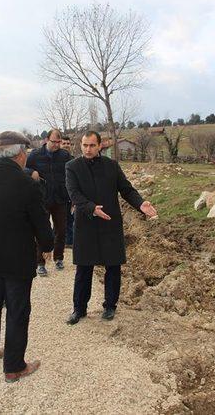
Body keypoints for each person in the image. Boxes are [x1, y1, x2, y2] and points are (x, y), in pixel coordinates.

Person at [0, 131, 53, 383]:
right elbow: (40, 221)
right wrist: (47, 246)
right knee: (17, 310)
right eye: (26, 152)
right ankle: (14, 366)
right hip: (17, 259)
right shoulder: (27, 183)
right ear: (19, 153)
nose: (27, 156)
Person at [65, 131, 157, 324]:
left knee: (113, 267)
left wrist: (140, 204)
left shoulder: (112, 166)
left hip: (110, 222)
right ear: (81, 145)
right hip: (86, 224)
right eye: (84, 145)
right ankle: (79, 309)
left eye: (91, 145)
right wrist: (91, 208)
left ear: (100, 146)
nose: (87, 149)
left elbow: (126, 190)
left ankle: (110, 306)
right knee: (84, 268)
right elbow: (74, 194)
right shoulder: (72, 167)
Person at [26, 129, 72, 276]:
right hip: (42, 199)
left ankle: (58, 257)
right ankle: (40, 262)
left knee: (61, 230)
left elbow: (72, 173)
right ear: (46, 140)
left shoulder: (65, 156)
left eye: (59, 142)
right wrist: (31, 173)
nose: (57, 145)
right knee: (41, 230)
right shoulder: (35, 155)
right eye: (54, 142)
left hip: (60, 198)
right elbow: (23, 169)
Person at [60, 135, 74, 248]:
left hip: (71, 195)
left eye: (68, 143)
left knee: (71, 219)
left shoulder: (74, 160)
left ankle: (69, 242)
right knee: (58, 220)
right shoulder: (55, 160)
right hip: (57, 196)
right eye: (63, 143)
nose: (66, 145)